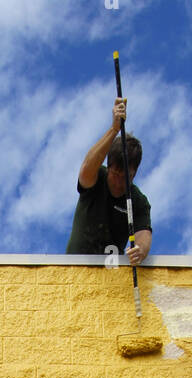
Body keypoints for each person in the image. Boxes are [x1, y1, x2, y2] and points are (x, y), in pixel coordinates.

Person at [65, 96, 152, 263]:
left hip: (110, 271)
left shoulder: (138, 201)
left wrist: (140, 250)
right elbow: (85, 171)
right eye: (115, 175)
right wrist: (114, 129)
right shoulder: (96, 177)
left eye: (126, 178)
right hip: (75, 267)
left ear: (134, 174)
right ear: (108, 167)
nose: (119, 183)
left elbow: (144, 234)